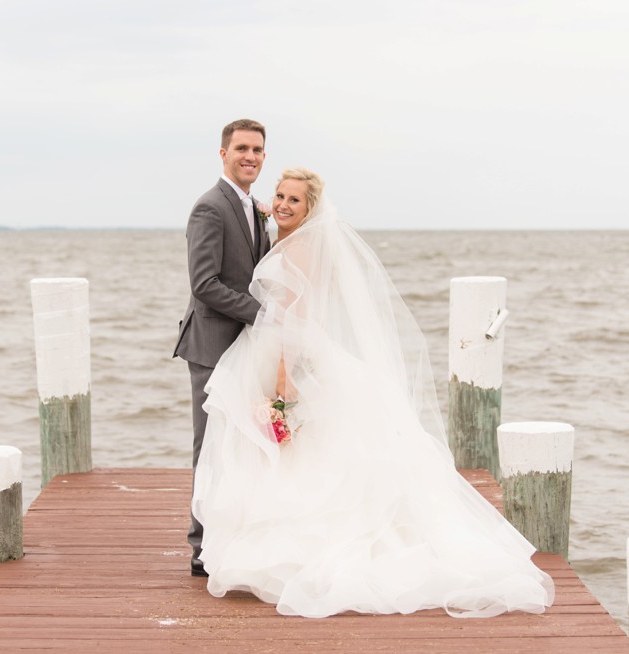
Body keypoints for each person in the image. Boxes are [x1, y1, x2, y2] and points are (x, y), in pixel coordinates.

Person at [191, 168, 555, 618]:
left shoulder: (301, 250)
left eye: (294, 201)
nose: (282, 204)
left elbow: (294, 319)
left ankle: (294, 552)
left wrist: (283, 382)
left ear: (312, 209)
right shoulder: (297, 237)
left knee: (299, 453)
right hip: (289, 351)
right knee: (300, 453)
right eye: (279, 196)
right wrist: (265, 210)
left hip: (287, 355)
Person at [173, 119, 272, 578]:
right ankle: (201, 549)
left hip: (245, 348)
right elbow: (205, 284)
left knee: (242, 446)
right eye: (241, 149)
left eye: (257, 150)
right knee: (209, 446)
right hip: (213, 346)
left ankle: (235, 536)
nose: (250, 156)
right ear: (223, 153)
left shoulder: (253, 208)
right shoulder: (210, 208)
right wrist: (262, 314)